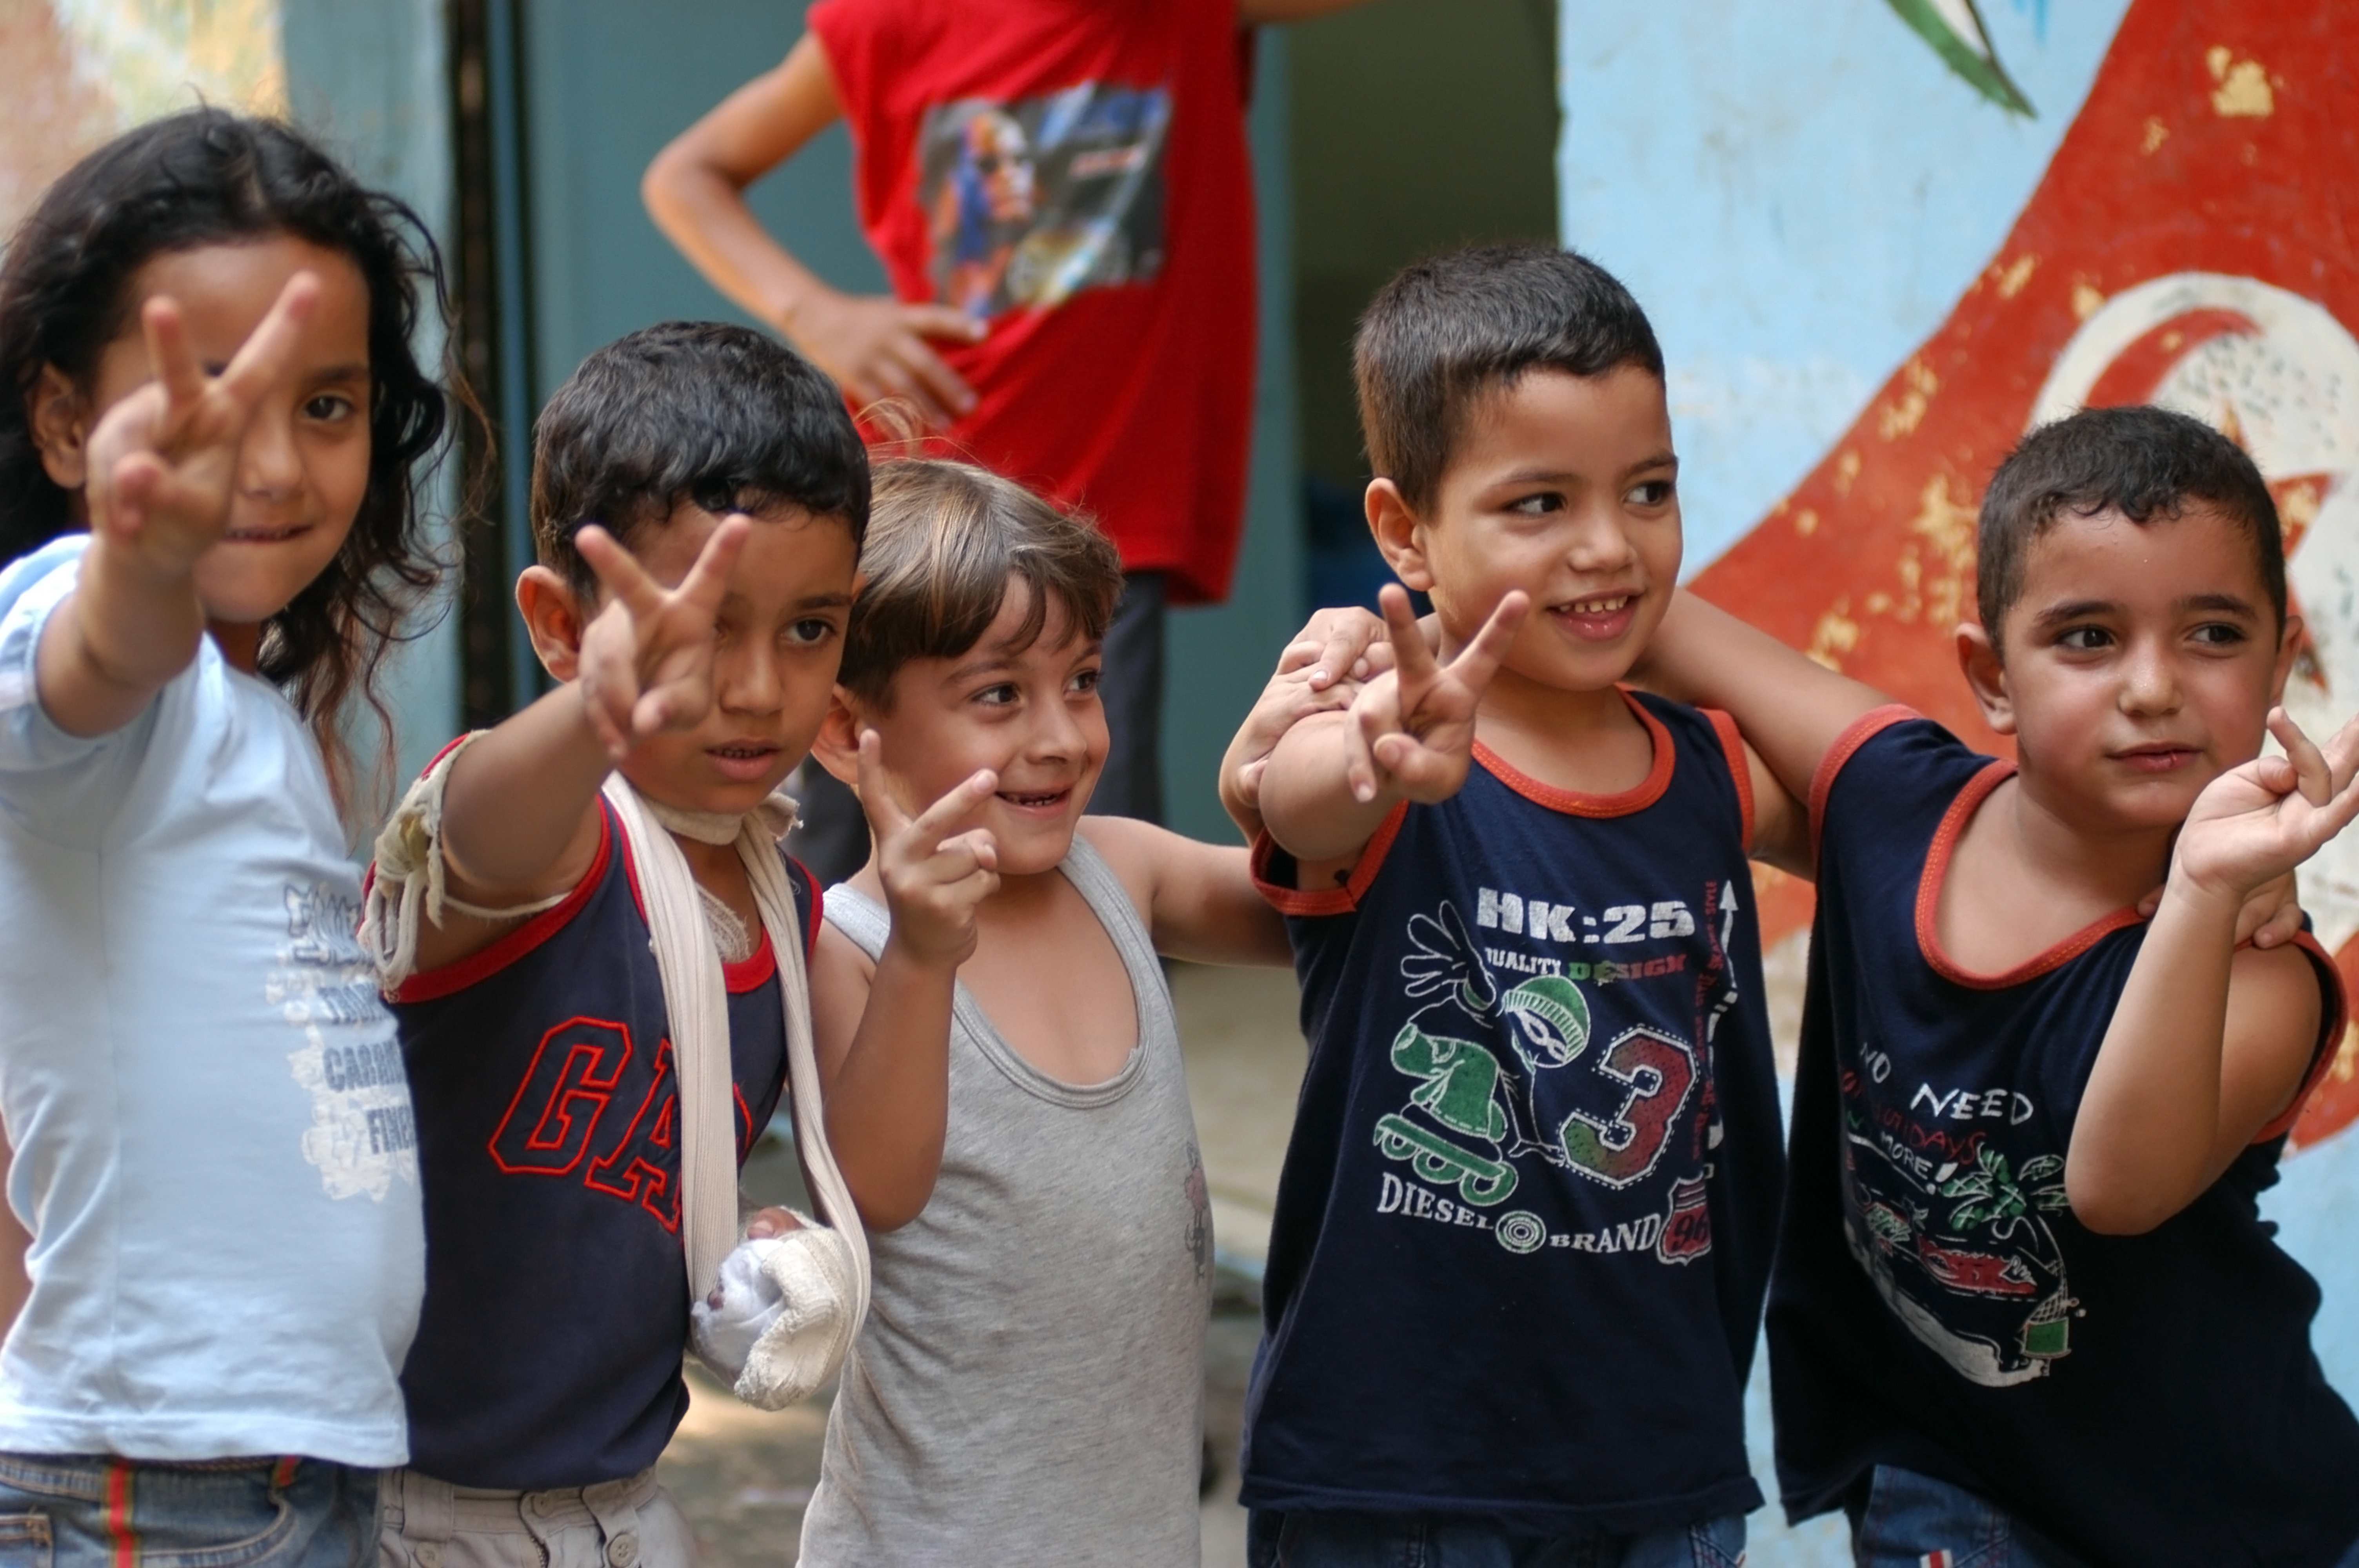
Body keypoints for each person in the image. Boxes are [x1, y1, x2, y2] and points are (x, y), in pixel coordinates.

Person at [1632, 405, 2359, 1567]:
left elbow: (2116, 1189)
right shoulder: (1890, 799)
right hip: (1952, 1484)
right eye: (2085, 638)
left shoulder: (2260, 972)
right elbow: (1644, 622)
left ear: (2284, 660)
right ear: (1991, 674)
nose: (2153, 686)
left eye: (2214, 634)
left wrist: (2205, 894)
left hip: (2239, 1517)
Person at [359, 323, 995, 1568]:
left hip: (619, 1509)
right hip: (402, 1518)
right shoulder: (548, 844)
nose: (757, 687)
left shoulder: (780, 900)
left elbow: (873, 1188)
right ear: (559, 626)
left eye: (810, 629)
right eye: (696, 632)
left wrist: (922, 954)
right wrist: (598, 709)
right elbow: (482, 828)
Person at [1227, 242, 1799, 1565]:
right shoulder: (1381, 741)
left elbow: (1898, 830)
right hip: (1394, 1479)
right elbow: (1293, 803)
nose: (1608, 546)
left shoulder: (1710, 768)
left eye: (1646, 490)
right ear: (1402, 531)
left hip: (1660, 1466)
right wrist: (1375, 753)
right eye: (1537, 503)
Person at [0, 109, 457, 1565]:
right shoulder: (80, 635)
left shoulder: (260, 706)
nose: (265, 464)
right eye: (206, 402)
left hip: (269, 1469)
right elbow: (96, 663)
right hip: (147, 1482)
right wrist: (138, 554)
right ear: (67, 421)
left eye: (325, 406)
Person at [643, 0, 1371, 854]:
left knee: (1087, 841)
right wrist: (818, 313)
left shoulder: (1173, 16)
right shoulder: (884, 21)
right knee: (843, 820)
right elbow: (688, 174)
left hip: (1099, 515)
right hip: (909, 505)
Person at [795, 457, 1294, 1566]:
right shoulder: (853, 945)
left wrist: (1303, 761)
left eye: (1080, 681)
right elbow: (873, 1191)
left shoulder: (1121, 871)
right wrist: (929, 954)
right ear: (845, 731)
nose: (1064, 737)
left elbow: (1307, 907)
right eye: (998, 696)